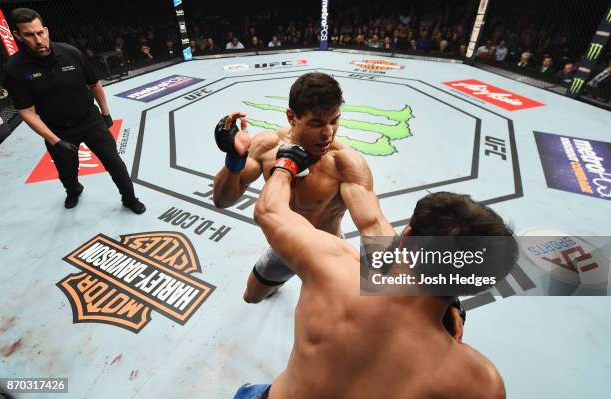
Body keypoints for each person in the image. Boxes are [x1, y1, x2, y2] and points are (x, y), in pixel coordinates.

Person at [212, 72, 465, 337]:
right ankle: (277, 283)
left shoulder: (344, 163)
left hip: (328, 256)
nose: (327, 133)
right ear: (291, 117)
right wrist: (234, 161)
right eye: (316, 123)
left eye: (335, 121)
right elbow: (222, 200)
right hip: (283, 250)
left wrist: (429, 293)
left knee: (328, 334)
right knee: (251, 297)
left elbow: (373, 225)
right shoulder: (266, 146)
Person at [234, 170, 515, 397]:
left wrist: (285, 166)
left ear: (406, 236)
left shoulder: (332, 266)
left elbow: (268, 211)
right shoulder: (481, 382)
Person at [4, 8, 145, 213]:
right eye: (29, 35)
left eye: (40, 32)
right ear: (17, 36)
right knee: (66, 171)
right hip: (57, 129)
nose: (38, 39)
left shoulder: (70, 52)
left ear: (46, 30)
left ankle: (130, 198)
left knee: (115, 163)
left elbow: (94, 83)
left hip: (90, 120)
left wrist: (105, 113)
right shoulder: (15, 68)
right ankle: (73, 190)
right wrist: (55, 141)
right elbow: (26, 111)